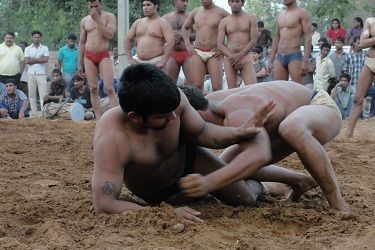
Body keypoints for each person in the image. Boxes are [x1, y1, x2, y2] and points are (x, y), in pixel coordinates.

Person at [92, 63, 308, 222]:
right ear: (135, 117)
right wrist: (165, 213)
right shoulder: (113, 137)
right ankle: (254, 179)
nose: (173, 118)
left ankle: (263, 186)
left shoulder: (173, 99)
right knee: (199, 196)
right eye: (163, 116)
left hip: (190, 162)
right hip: (159, 194)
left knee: (246, 199)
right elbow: (105, 204)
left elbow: (202, 132)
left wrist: (238, 133)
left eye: (173, 111)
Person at [180, 81, 349, 213]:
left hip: (318, 106)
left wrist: (209, 182)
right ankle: (299, 181)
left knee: (291, 128)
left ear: (194, 116)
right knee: (224, 166)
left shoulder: (235, 113)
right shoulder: (208, 104)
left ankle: (336, 201)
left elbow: (260, 154)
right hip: (278, 128)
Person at [78, 0, 118, 119]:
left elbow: (109, 35)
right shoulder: (85, 20)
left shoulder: (109, 16)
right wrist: (79, 63)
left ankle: (114, 117)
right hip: (88, 56)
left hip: (103, 55)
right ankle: (99, 118)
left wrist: (97, 19)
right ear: (88, 5)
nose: (94, 8)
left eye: (96, 5)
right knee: (93, 88)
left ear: (101, 4)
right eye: (91, 6)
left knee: (109, 88)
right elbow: (82, 42)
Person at [182, 0, 229, 91]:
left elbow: (232, 30)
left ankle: (216, 105)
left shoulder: (221, 12)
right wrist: (188, 45)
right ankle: (200, 105)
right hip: (198, 52)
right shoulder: (196, 11)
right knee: (197, 86)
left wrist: (224, 48)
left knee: (217, 87)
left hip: (214, 53)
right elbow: (185, 28)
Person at [124, 0, 174, 75]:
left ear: (156, 6)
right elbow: (127, 40)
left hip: (156, 61)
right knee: (134, 85)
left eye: (148, 5)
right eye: (143, 5)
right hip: (138, 62)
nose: (145, 8)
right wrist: (130, 58)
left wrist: (163, 61)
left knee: (159, 86)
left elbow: (171, 42)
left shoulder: (163, 23)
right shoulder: (138, 22)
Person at [268, 0, 312, 84]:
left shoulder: (302, 13)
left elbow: (308, 36)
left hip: (294, 55)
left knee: (297, 90)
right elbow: (277, 36)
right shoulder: (280, 15)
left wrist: (305, 61)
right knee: (278, 88)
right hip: (280, 56)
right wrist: (270, 61)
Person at [217, 0, 258, 88]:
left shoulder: (250, 18)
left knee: (253, 88)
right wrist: (232, 56)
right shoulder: (224, 21)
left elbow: (254, 40)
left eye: (237, 1)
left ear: (242, 3)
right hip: (229, 58)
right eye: (232, 1)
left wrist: (239, 55)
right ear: (229, 3)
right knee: (232, 90)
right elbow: (220, 44)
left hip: (244, 56)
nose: (234, 4)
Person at [347, 17, 375, 137]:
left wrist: (371, 40)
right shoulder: (370, 21)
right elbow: (362, 43)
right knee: (358, 98)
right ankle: (348, 135)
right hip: (370, 61)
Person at [162, 0, 195, 85]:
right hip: (171, 54)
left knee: (193, 85)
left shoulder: (191, 17)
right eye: (183, 1)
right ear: (175, 1)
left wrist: (183, 35)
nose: (186, 4)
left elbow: (199, 35)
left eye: (187, 1)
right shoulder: (166, 18)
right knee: (169, 84)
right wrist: (169, 37)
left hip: (188, 53)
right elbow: (159, 37)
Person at [24, 30, 49, 117]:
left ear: (40, 38)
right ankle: (34, 114)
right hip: (31, 73)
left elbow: (46, 59)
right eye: (35, 37)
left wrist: (33, 59)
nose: (36, 39)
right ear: (32, 38)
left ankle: (44, 113)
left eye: (38, 37)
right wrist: (39, 59)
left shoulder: (45, 48)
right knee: (31, 94)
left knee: (43, 94)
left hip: (41, 73)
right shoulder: (27, 48)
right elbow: (27, 61)